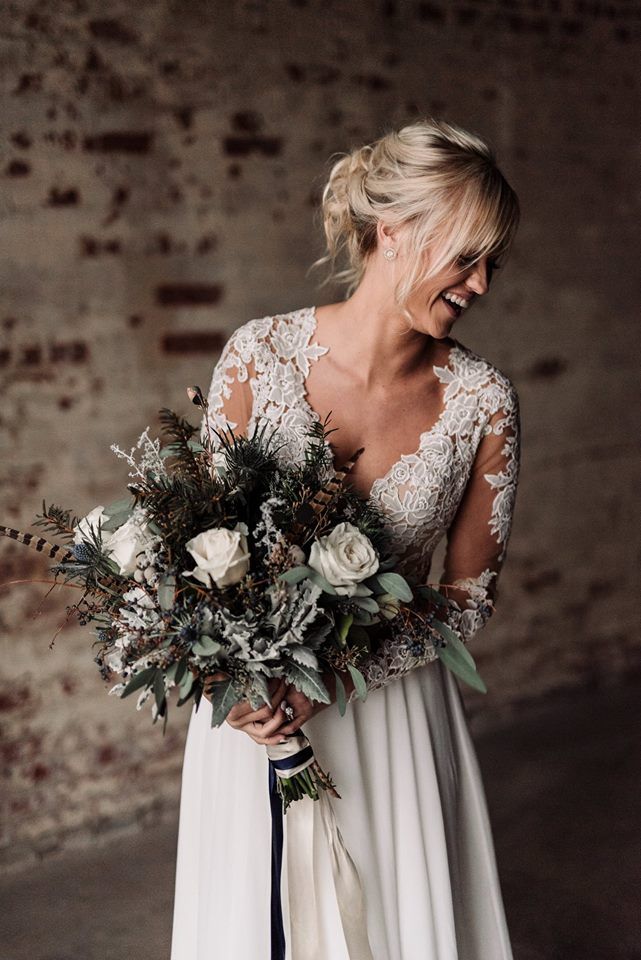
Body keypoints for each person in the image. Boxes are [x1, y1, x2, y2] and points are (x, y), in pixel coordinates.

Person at [170, 117, 521, 959]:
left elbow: (468, 595)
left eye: (490, 264)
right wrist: (233, 671)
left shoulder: (483, 402)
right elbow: (198, 546)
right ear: (390, 231)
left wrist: (336, 674)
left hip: (386, 709)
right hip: (254, 717)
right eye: (464, 255)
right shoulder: (258, 356)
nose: (478, 284)